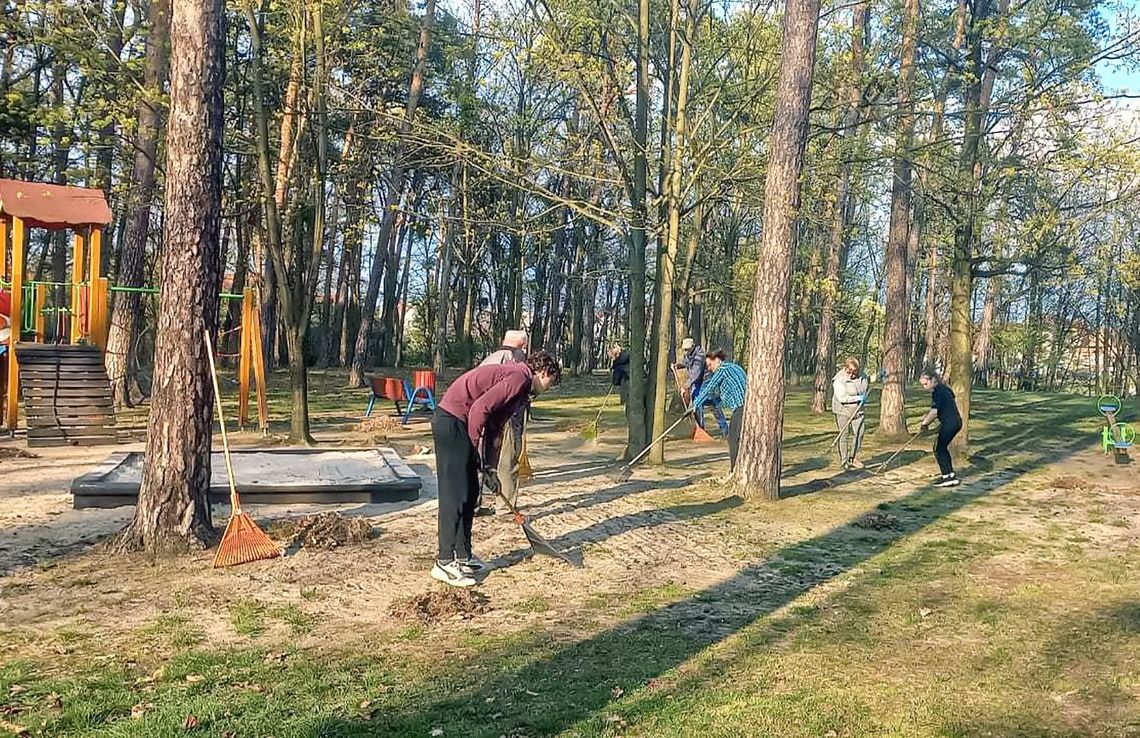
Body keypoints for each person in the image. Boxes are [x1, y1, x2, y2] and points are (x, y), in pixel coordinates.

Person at [431, 351, 562, 587]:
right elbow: (479, 409)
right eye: (551, 382)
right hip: (451, 421)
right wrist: (473, 449)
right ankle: (444, 561)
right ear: (543, 372)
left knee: (470, 492)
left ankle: (463, 555)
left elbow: (494, 425)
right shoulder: (519, 377)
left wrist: (490, 467)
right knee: (455, 494)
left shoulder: (521, 390)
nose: (549, 388)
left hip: (461, 425)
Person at [476, 330, 530, 514]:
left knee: (480, 457)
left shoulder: (489, 359)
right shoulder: (516, 359)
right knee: (508, 458)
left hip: (482, 413)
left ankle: (474, 504)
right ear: (522, 346)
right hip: (507, 414)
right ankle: (505, 506)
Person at [691, 350, 748, 478]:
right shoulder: (735, 367)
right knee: (738, 438)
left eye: (710, 365)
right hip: (746, 407)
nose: (709, 369)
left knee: (732, 439)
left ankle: (734, 470)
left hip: (740, 408)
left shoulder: (722, 370)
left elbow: (709, 388)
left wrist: (695, 404)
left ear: (717, 360)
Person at [918, 368, 963, 488]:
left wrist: (924, 424)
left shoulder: (938, 391)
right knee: (941, 448)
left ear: (933, 379)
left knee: (939, 449)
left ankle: (947, 477)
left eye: (925, 384)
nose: (924, 387)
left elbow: (934, 411)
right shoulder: (945, 389)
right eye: (923, 385)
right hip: (955, 423)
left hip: (950, 424)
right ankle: (950, 475)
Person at [674, 337, 728, 434]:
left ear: (692, 347)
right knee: (697, 403)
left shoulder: (700, 356)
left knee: (714, 404)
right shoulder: (688, 354)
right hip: (697, 382)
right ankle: (700, 429)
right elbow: (686, 363)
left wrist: (685, 386)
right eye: (684, 349)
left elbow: (695, 374)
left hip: (707, 381)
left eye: (687, 349)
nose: (686, 351)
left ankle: (725, 430)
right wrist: (678, 365)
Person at [831, 357, 871, 469]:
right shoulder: (839, 380)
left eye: (855, 373)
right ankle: (844, 460)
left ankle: (854, 458)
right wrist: (858, 397)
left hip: (858, 410)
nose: (852, 375)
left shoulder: (863, 376)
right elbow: (842, 398)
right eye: (850, 372)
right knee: (844, 435)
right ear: (845, 369)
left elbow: (866, 385)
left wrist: (879, 378)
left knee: (859, 433)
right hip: (843, 410)